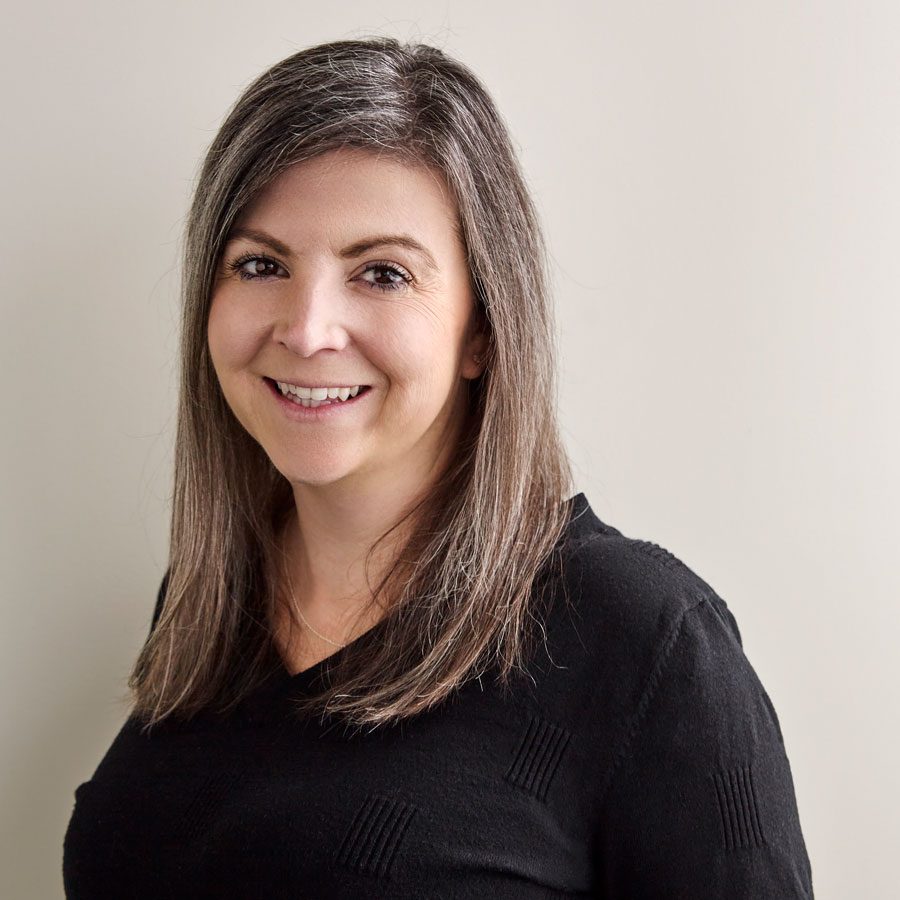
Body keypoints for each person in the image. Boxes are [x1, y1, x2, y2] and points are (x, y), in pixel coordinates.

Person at [62, 36, 814, 899]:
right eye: (260, 264)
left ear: (482, 330)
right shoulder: (208, 602)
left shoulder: (644, 641)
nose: (307, 330)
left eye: (381, 273)